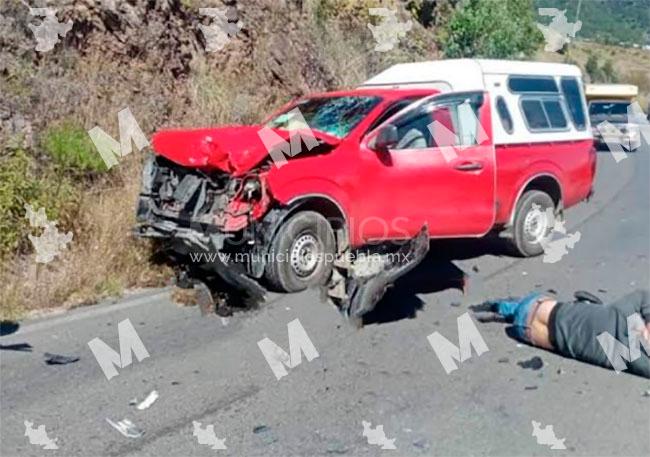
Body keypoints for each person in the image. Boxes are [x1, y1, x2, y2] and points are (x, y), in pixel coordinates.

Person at [478, 289, 650, 379]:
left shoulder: (627, 324)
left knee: (533, 306)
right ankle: (506, 309)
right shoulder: (630, 358)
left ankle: (503, 307)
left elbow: (639, 297)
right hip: (527, 332)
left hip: (540, 307)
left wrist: (640, 324)